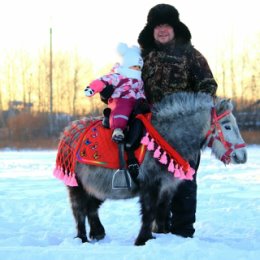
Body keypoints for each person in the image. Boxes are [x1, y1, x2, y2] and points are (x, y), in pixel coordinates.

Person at [137, 4, 218, 238]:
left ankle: (182, 232)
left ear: (174, 28)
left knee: (184, 180)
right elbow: (127, 83)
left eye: (166, 25)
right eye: (157, 26)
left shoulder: (191, 55)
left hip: (183, 134)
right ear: (151, 30)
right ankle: (159, 227)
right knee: (153, 180)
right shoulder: (143, 58)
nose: (162, 30)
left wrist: (196, 111)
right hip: (151, 131)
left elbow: (208, 86)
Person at [84, 43, 146, 143]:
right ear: (128, 65)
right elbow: (103, 80)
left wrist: (144, 100)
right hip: (120, 99)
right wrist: (92, 88)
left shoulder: (139, 81)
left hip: (135, 102)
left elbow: (141, 91)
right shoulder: (118, 76)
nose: (138, 70)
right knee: (122, 108)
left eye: (139, 67)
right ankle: (118, 129)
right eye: (135, 67)